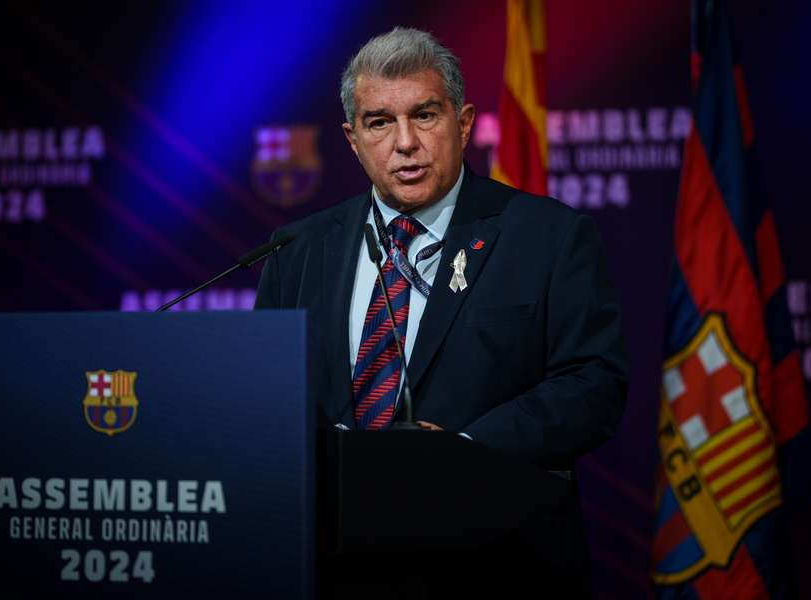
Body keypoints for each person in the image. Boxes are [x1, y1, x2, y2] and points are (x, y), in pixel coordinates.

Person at [255, 27, 627, 598]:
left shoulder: (548, 237)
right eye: (380, 122)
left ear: (464, 122)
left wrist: (459, 453)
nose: (405, 142)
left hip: (496, 564)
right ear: (353, 140)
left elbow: (593, 384)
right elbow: (269, 398)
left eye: (424, 115)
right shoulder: (298, 249)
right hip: (333, 563)